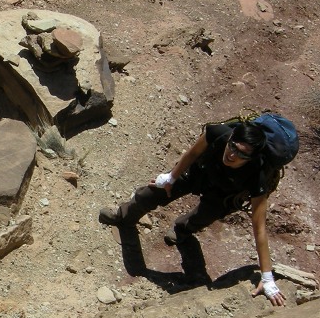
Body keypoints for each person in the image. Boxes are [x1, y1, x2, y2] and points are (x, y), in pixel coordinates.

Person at [98, 120, 287, 306]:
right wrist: (171, 177)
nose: (232, 154)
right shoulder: (218, 133)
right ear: (231, 137)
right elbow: (192, 153)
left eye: (241, 154)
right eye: (232, 146)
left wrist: (267, 276)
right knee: (151, 193)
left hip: (226, 193)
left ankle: (182, 232)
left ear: (252, 158)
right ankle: (124, 216)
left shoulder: (257, 176)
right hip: (199, 173)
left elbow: (259, 227)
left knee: (203, 216)